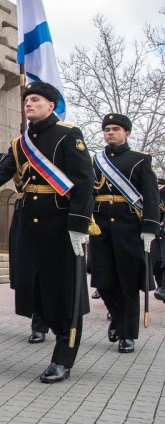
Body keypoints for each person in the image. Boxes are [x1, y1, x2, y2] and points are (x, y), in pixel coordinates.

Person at [0, 81, 94, 383]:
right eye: (26, 100)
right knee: (30, 282)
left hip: (59, 222)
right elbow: (2, 170)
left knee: (62, 289)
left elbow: (84, 183)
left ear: (51, 105)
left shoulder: (68, 136)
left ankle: (64, 354)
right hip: (28, 221)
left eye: (35, 100)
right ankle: (46, 325)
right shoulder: (20, 143)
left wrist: (78, 225)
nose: (29, 104)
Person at [89, 113, 159, 354]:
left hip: (129, 228)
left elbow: (151, 196)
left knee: (128, 283)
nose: (110, 132)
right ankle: (117, 318)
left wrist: (150, 227)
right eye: (107, 129)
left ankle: (128, 333)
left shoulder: (140, 160)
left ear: (126, 133)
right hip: (100, 228)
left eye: (115, 129)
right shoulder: (96, 161)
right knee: (103, 281)